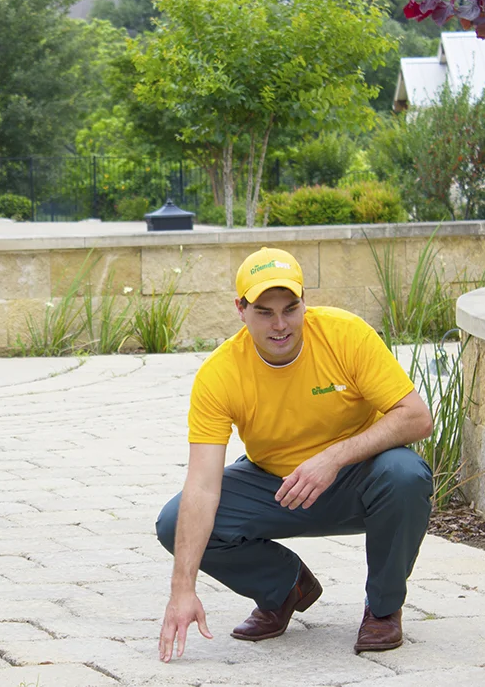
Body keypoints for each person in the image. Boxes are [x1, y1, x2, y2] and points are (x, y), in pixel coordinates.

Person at [155, 247, 436, 661]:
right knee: (175, 521)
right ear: (240, 309)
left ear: (306, 301)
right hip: (277, 486)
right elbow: (201, 485)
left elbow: (416, 418)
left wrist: (333, 458)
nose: (281, 324)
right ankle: (285, 587)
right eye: (265, 312)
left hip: (360, 480)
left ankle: (383, 609)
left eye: (291, 308)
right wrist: (182, 590)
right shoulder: (220, 374)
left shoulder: (346, 335)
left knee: (406, 474)